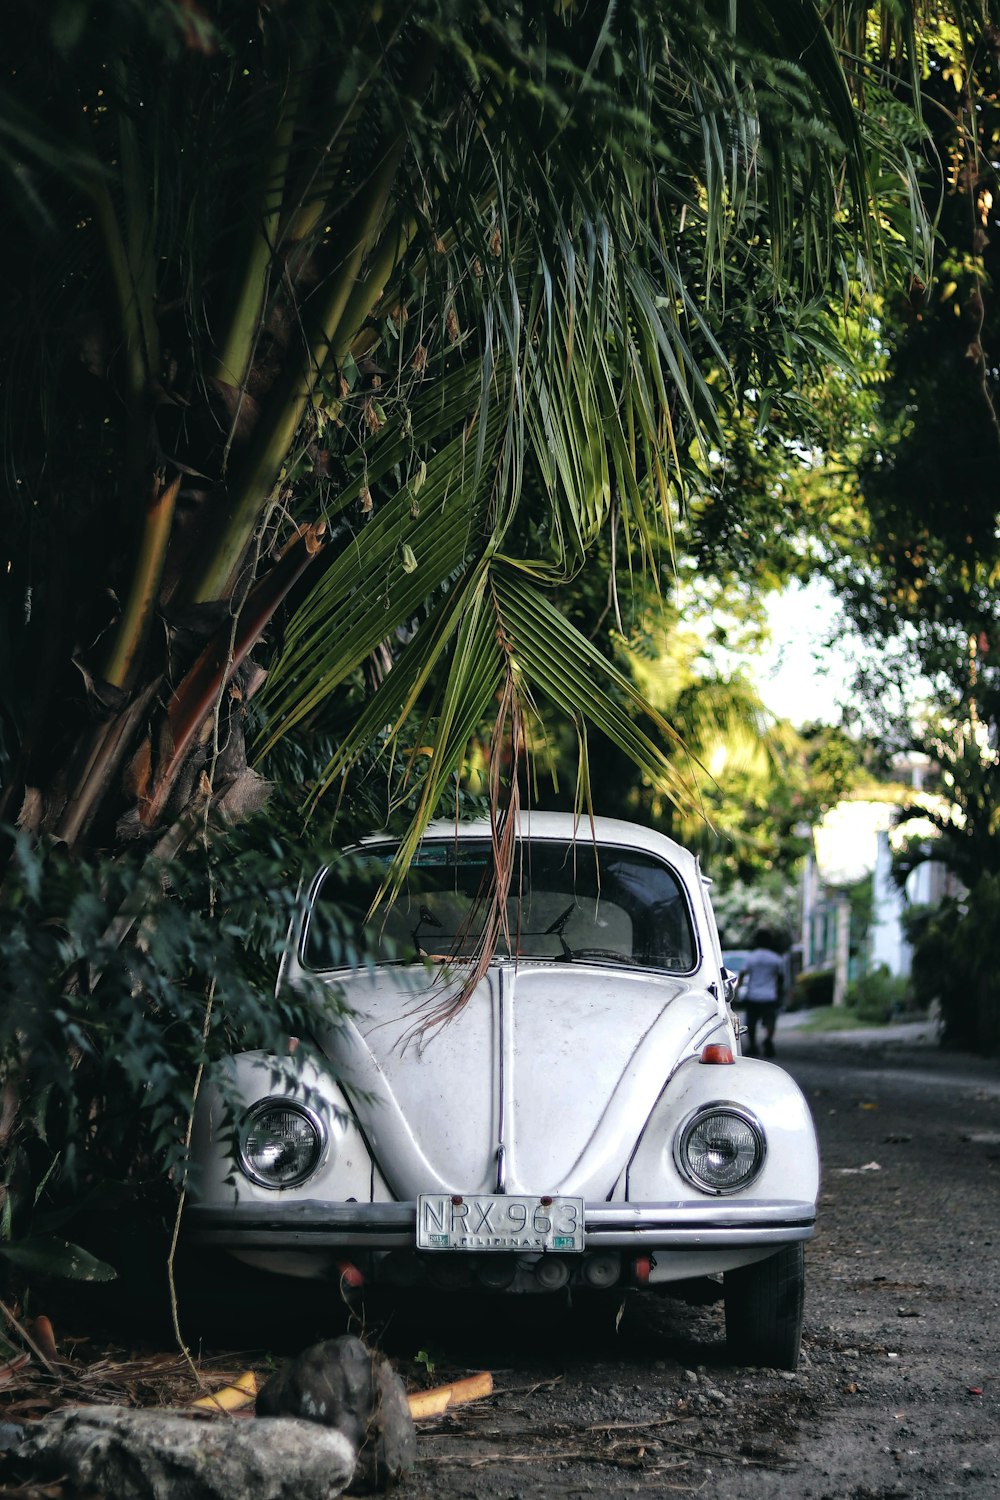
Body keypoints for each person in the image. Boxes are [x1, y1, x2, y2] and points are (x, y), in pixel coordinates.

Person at [738, 928, 785, 1058]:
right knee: (770, 1020)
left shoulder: (751, 957)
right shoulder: (775, 958)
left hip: (753, 995)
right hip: (770, 995)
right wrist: (780, 993)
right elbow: (780, 978)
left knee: (751, 1022)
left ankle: (753, 1045)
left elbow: (742, 974)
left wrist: (736, 991)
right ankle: (768, 1039)